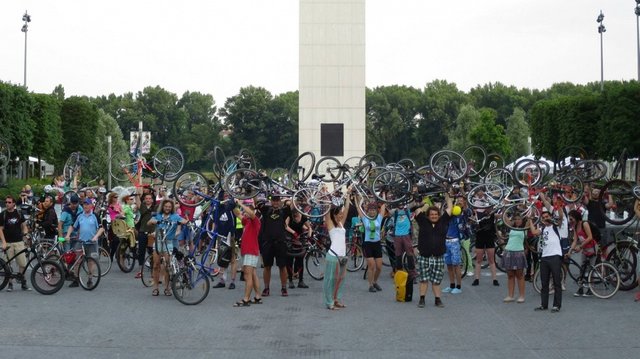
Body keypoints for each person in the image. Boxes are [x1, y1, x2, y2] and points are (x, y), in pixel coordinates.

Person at [413, 192, 453, 308]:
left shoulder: (443, 221)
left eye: (436, 214)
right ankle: (422, 299)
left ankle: (437, 299)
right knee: (423, 279)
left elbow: (450, 208)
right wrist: (416, 192)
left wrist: (447, 195)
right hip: (424, 256)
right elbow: (417, 209)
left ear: (439, 215)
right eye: (431, 214)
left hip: (438, 256)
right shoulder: (423, 221)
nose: (434, 216)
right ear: (428, 215)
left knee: (436, 281)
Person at [147, 200, 188, 296]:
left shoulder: (175, 216)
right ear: (163, 207)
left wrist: (186, 221)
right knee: (156, 265)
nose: (167, 208)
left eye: (169, 206)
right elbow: (149, 223)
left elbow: (184, 221)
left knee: (167, 266)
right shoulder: (158, 215)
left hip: (168, 242)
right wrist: (153, 221)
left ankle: (167, 288)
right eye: (166, 206)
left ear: (172, 208)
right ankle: (155, 288)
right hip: (158, 242)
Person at [323, 187, 352, 310]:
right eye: (339, 213)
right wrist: (326, 196)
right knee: (330, 280)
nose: (341, 215)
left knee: (341, 279)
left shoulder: (341, 223)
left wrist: (348, 194)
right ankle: (329, 302)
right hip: (333, 255)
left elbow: (347, 209)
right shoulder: (330, 224)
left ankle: (336, 299)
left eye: (341, 213)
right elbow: (326, 213)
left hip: (342, 256)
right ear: (334, 215)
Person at [65, 199, 104, 288]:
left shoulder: (95, 216)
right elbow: (72, 226)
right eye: (84, 204)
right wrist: (68, 235)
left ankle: (90, 279)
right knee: (77, 261)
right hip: (81, 241)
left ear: (91, 206)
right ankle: (76, 279)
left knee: (91, 262)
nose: (85, 206)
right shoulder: (79, 216)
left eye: (87, 204)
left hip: (92, 243)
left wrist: (96, 237)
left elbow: (101, 228)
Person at [530, 208, 563, 312]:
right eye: (543, 217)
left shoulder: (556, 226)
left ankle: (556, 305)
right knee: (544, 283)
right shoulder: (543, 228)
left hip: (555, 256)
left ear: (550, 217)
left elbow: (560, 218)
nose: (545, 219)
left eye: (547, 217)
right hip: (544, 257)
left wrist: (559, 205)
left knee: (556, 282)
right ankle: (544, 304)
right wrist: (530, 220)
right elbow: (534, 232)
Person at [259, 194, 291, 297]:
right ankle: (266, 288)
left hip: (280, 243)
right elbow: (256, 202)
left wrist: (287, 198)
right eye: (274, 200)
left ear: (280, 201)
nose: (276, 202)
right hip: (268, 243)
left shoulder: (284, 211)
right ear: (271, 201)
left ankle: (284, 288)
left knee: (282, 266)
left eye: (278, 200)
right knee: (267, 266)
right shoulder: (266, 210)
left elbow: (292, 203)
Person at [233, 198, 262, 307]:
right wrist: (233, 204)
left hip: (251, 251)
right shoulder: (247, 221)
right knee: (253, 275)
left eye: (247, 212)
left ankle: (246, 299)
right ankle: (258, 296)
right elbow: (238, 214)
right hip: (248, 251)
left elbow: (250, 212)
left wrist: (241, 203)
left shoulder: (255, 221)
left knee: (247, 275)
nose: (245, 213)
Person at [0, 195, 31, 291]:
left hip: (19, 242)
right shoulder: (3, 214)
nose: (7, 204)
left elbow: (24, 225)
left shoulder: (19, 213)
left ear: (13, 203)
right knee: (7, 265)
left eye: (9, 202)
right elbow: (0, 230)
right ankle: (10, 284)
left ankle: (23, 282)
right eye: (6, 202)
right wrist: (4, 242)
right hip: (8, 243)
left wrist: (25, 232)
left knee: (22, 263)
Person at [502, 214, 533, 303]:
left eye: (519, 219)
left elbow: (530, 217)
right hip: (508, 251)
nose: (517, 220)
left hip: (519, 252)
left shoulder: (525, 228)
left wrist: (530, 213)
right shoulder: (511, 227)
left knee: (520, 275)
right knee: (510, 275)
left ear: (522, 220)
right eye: (516, 219)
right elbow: (505, 217)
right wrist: (504, 206)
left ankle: (521, 296)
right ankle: (510, 295)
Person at [212, 192, 240, 289]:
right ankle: (222, 280)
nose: (226, 197)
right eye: (225, 195)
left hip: (231, 235)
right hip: (221, 235)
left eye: (228, 195)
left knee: (232, 258)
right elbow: (216, 222)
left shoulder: (232, 207)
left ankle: (232, 281)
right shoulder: (218, 207)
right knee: (221, 258)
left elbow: (236, 210)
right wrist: (213, 235)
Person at [356, 201, 386, 293]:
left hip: (377, 243)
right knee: (371, 266)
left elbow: (383, 206)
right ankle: (370, 285)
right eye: (370, 210)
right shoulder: (365, 219)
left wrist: (383, 194)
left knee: (379, 267)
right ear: (368, 211)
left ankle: (374, 282)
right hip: (368, 244)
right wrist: (355, 200)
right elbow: (358, 208)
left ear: (376, 211)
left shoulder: (379, 218)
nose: (372, 212)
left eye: (374, 210)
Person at [568, 209, 596, 297]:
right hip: (585, 249)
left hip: (592, 247)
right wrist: (569, 251)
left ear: (576, 218)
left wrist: (580, 246)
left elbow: (590, 237)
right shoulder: (575, 226)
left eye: (571, 219)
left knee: (591, 268)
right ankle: (581, 288)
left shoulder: (584, 224)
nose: (570, 221)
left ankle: (590, 289)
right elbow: (575, 240)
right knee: (582, 269)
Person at [284, 209, 311, 289]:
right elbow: (285, 226)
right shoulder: (290, 216)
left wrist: (309, 233)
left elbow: (309, 227)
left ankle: (300, 281)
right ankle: (290, 281)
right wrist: (293, 232)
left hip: (300, 241)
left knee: (300, 261)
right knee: (289, 261)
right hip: (290, 240)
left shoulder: (303, 216)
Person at [442, 205, 464, 294]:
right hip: (446, 241)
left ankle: (458, 286)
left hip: (454, 242)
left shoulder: (457, 218)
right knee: (449, 265)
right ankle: (452, 285)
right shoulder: (445, 219)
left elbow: (462, 229)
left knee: (456, 265)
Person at [134, 190, 156, 279]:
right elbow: (138, 200)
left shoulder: (156, 207)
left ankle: (153, 271)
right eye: (146, 198)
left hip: (152, 233)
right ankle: (140, 271)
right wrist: (137, 191)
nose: (148, 200)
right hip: (142, 232)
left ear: (152, 200)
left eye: (149, 198)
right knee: (141, 252)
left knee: (152, 252)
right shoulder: (142, 207)